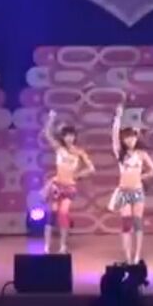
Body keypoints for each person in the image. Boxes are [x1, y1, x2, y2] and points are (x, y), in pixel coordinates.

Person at [40, 109, 95, 254]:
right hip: (56, 186)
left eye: (71, 135)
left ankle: (63, 246)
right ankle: (47, 246)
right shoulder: (59, 148)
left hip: (69, 187)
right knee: (52, 214)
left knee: (63, 214)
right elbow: (47, 134)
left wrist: (78, 175)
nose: (69, 138)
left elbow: (91, 168)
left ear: (75, 137)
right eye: (66, 136)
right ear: (63, 137)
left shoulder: (79, 152)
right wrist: (51, 119)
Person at [110, 104, 153, 265]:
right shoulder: (120, 154)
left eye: (133, 137)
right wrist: (118, 118)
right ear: (123, 140)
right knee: (126, 225)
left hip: (138, 192)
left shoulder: (142, 154)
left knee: (138, 224)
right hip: (123, 192)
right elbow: (114, 137)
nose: (130, 140)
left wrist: (140, 176)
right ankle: (128, 257)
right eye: (127, 138)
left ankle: (137, 256)